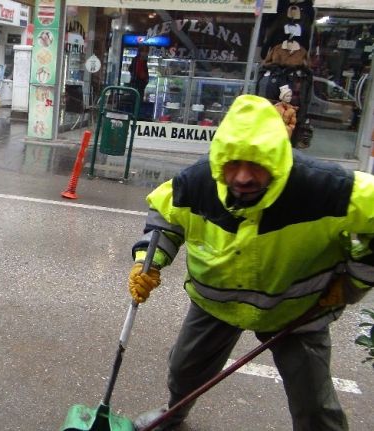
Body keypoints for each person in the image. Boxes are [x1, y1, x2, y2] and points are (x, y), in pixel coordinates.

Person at [128, 94, 373, 431]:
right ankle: (174, 415)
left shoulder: (326, 188)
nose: (242, 177)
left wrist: (352, 284)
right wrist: (148, 261)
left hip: (296, 310)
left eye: (256, 163)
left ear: (276, 158)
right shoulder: (197, 183)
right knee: (184, 371)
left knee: (314, 403)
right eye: (233, 163)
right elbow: (164, 220)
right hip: (217, 303)